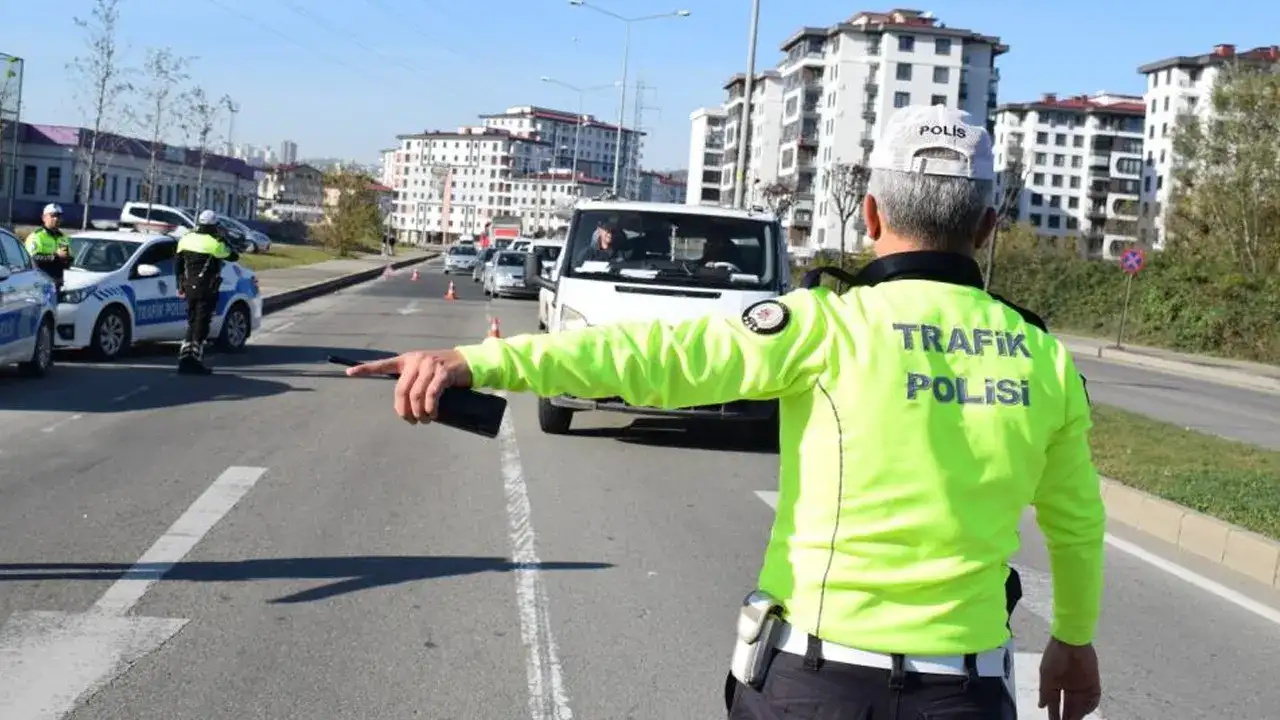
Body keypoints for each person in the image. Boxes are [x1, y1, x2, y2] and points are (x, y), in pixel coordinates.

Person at [346, 105, 1105, 720]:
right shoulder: (1042, 358)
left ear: (870, 214)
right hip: (965, 696)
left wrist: (481, 361)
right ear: (986, 227)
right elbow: (1075, 522)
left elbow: (650, 359)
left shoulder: (826, 325)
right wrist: (1073, 640)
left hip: (816, 686)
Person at [173, 209, 239, 375]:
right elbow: (233, 256)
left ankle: (184, 359)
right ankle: (195, 360)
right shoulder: (215, 243)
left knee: (192, 320)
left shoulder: (185, 239)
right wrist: (223, 238)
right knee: (201, 324)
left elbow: (178, 265)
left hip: (188, 286)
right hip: (207, 288)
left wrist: (179, 286)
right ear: (213, 226)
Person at [25, 203, 72, 289]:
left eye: (59, 216)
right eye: (53, 216)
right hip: (41, 283)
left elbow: (68, 261)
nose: (56, 219)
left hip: (58, 282)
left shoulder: (63, 237)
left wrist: (67, 259)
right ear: (44, 218)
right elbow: (34, 259)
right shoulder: (36, 236)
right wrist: (56, 256)